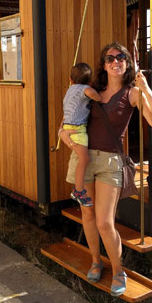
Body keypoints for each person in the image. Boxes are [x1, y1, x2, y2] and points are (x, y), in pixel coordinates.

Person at [59, 42, 152, 297]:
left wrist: (147, 89)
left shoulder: (132, 93)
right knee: (88, 215)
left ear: (127, 63)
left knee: (105, 222)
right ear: (104, 65)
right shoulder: (92, 90)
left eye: (121, 57)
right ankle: (96, 261)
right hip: (85, 159)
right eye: (110, 58)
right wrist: (64, 135)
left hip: (110, 164)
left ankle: (118, 270)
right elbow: (66, 122)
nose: (115, 61)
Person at [60, 62, 102, 207]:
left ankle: (79, 190)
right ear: (89, 81)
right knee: (84, 159)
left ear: (70, 79)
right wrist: (98, 97)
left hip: (69, 127)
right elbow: (92, 94)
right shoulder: (84, 89)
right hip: (77, 130)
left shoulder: (70, 89)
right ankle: (78, 191)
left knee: (82, 159)